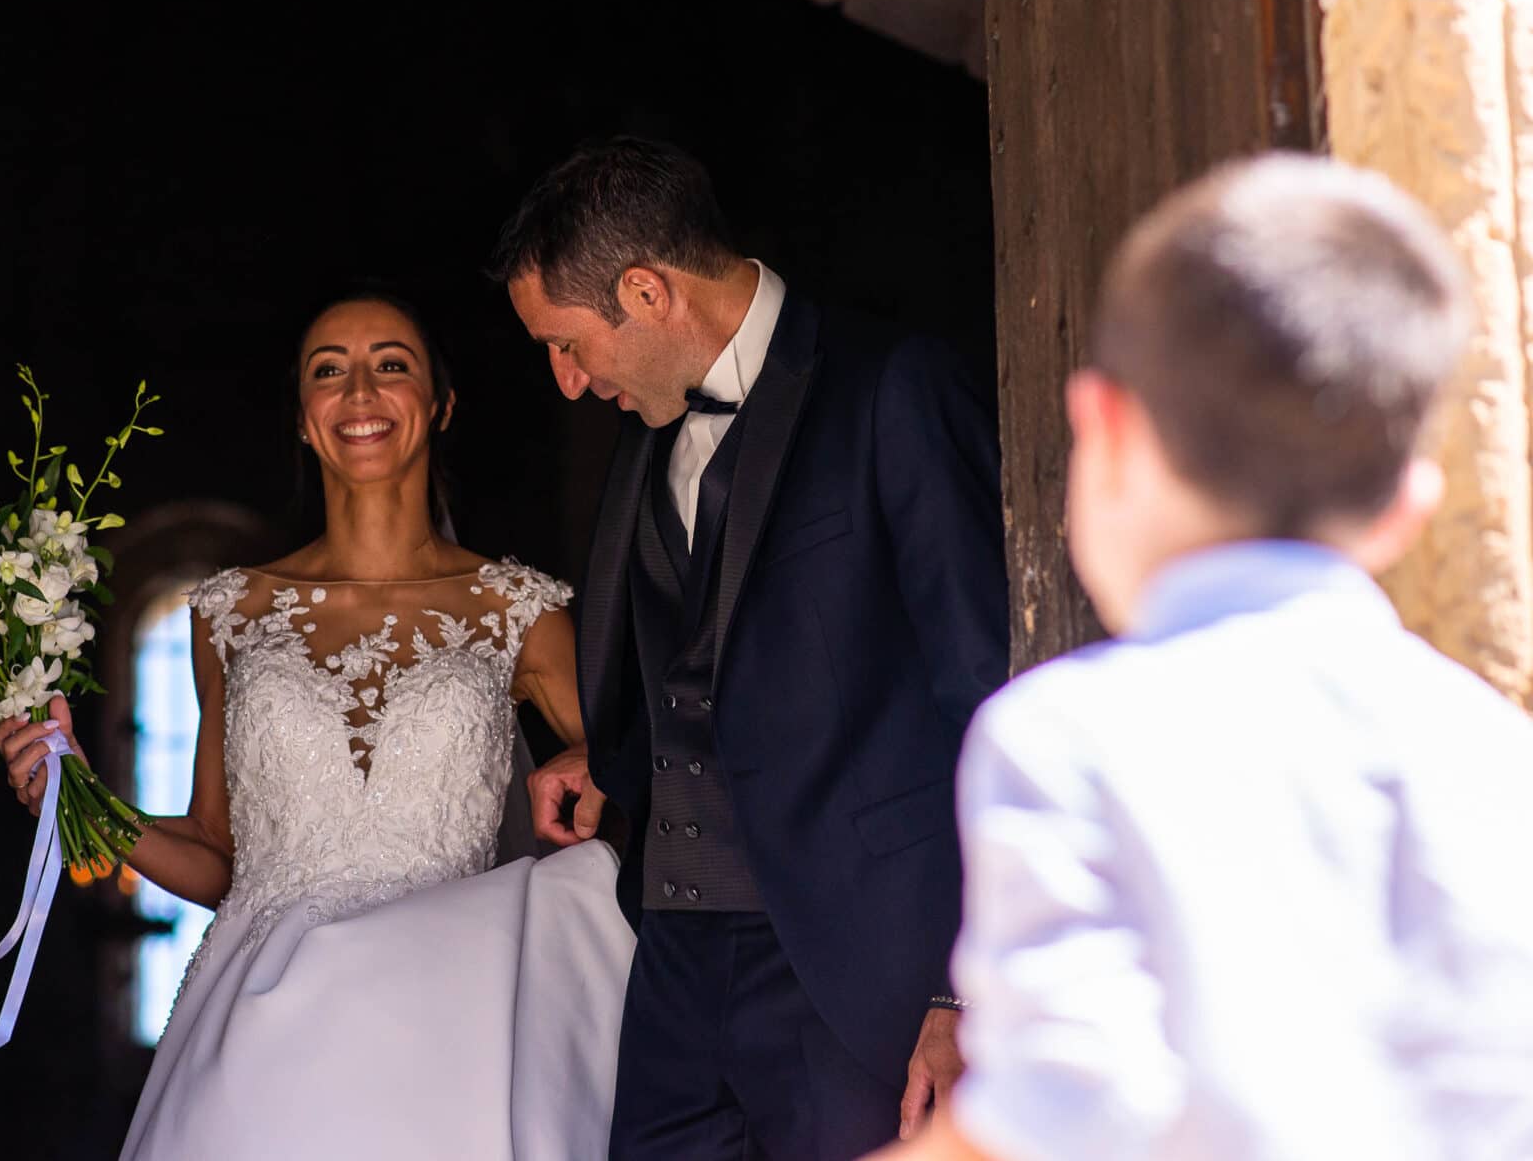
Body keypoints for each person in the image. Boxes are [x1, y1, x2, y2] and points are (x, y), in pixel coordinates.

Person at [872, 154, 1533, 1161]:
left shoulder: (1067, 733)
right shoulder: (1489, 743)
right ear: (1409, 500)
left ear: (1104, 429)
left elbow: (1065, 1109)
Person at [0, 291, 636, 1159]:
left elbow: (634, 779)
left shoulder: (519, 610)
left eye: (392, 364)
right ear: (304, 418)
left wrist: (599, 766)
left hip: (451, 1021)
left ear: (441, 405)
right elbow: (218, 854)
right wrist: (77, 798)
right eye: (329, 370)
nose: (360, 390)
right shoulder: (230, 611)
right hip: (268, 1017)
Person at [492, 137, 1010, 1158]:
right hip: (677, 960)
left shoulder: (889, 387)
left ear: (644, 291)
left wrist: (965, 982)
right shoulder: (647, 426)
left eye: (566, 342)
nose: (564, 380)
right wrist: (615, 764)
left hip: (858, 971)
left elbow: (989, 696)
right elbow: (700, 664)